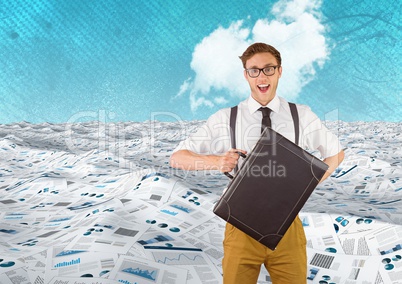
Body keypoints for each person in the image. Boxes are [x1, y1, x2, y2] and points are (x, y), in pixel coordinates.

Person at [170, 42, 344, 284]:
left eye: (268, 69)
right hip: (240, 226)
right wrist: (216, 161)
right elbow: (177, 158)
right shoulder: (224, 118)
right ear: (246, 75)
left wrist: (305, 185)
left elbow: (336, 154)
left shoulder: (301, 114)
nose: (261, 76)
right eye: (254, 70)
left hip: (287, 227)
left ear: (279, 71)